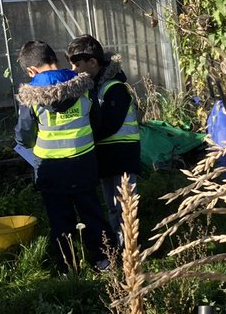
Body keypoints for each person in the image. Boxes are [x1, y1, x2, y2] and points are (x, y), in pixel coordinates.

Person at [14, 40, 111, 273]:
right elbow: (96, 119)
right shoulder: (83, 84)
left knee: (60, 219)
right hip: (83, 161)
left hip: (50, 168)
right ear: (54, 59)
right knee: (91, 211)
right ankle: (104, 259)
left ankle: (67, 267)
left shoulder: (31, 96)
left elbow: (25, 133)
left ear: (31, 71)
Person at [67, 35, 141, 247]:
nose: (73, 70)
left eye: (77, 64)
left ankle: (130, 249)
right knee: (112, 207)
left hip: (123, 157)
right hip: (106, 157)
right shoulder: (95, 87)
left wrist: (85, 136)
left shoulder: (114, 87)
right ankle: (118, 248)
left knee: (125, 206)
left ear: (92, 62)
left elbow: (111, 124)